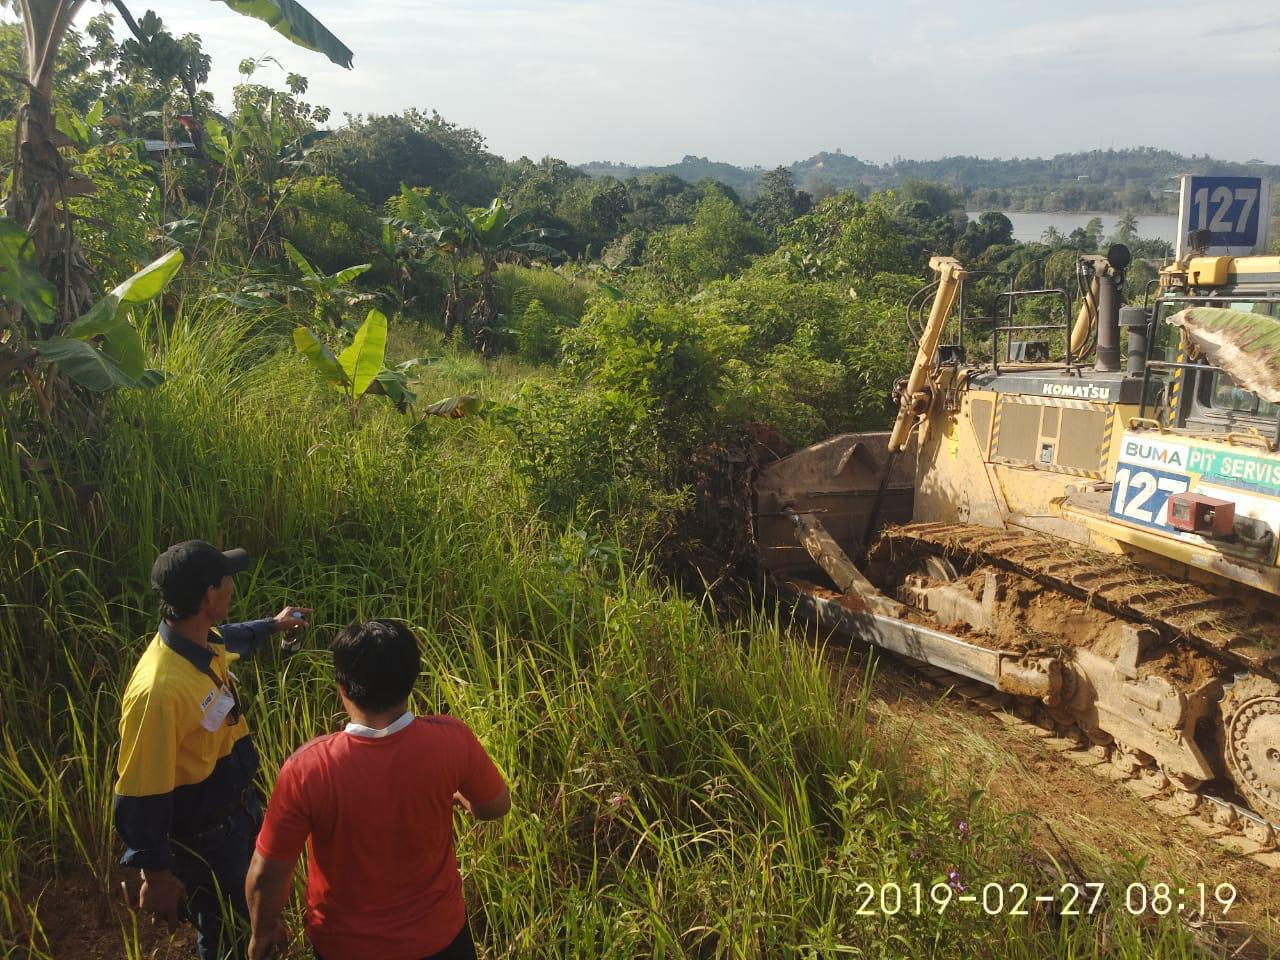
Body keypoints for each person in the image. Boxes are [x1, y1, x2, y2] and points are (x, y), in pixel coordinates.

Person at [246, 619, 510, 960]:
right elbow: (496, 805)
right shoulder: (452, 740)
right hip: (442, 938)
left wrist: (263, 930)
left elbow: (268, 872)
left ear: (342, 687)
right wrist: (461, 799)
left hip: (346, 947)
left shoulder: (308, 769)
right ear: (412, 681)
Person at [114, 539, 310, 960]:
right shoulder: (158, 691)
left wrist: (275, 625)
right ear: (209, 596)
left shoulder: (201, 640)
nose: (231, 589)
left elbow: (233, 638)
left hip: (237, 818)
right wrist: (155, 873)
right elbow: (139, 790)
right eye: (226, 582)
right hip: (207, 842)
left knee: (254, 921)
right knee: (231, 937)